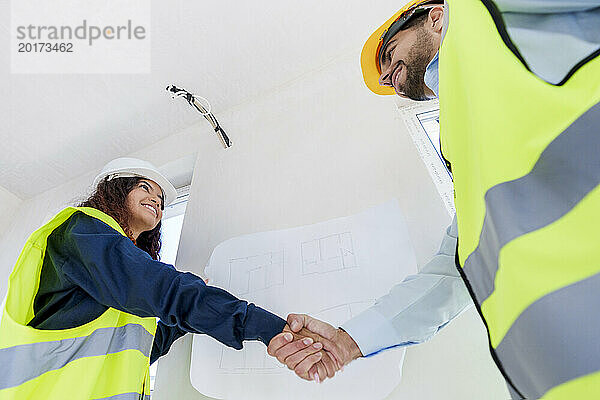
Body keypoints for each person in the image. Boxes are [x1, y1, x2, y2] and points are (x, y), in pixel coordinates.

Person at [268, 1, 600, 398]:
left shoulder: (481, 10)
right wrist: (347, 341)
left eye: (390, 56)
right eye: (387, 79)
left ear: (435, 16)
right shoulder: (460, 144)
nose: (390, 77)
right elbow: (454, 268)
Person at [0, 157, 337, 399]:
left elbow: (143, 351)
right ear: (114, 191)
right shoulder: (80, 230)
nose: (156, 201)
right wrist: (269, 328)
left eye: (161, 201)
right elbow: (165, 289)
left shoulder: (118, 287)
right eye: (145, 188)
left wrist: (179, 323)